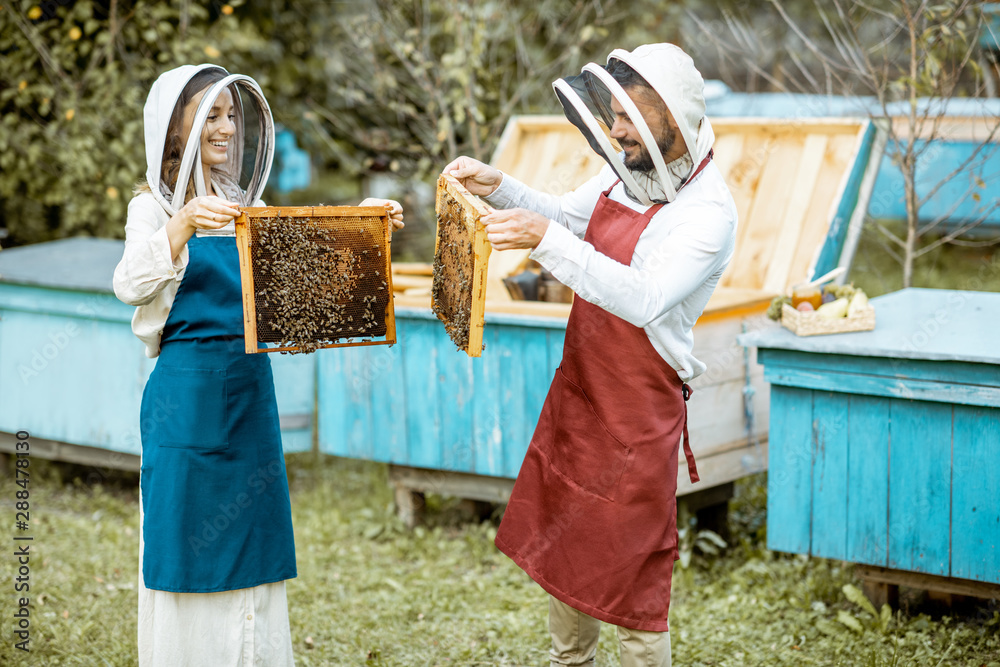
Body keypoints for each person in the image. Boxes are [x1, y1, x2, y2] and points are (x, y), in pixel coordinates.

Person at [444, 43, 737, 667]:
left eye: (631, 115)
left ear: (673, 115)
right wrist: (501, 187)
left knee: (635, 579)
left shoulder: (707, 215)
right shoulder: (624, 172)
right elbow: (559, 217)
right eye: (614, 112)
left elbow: (644, 297)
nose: (617, 128)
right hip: (582, 395)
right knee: (568, 547)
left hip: (638, 413)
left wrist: (544, 240)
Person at [113, 64, 403, 666]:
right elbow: (130, 284)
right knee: (185, 546)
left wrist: (364, 226)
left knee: (253, 545)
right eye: (210, 115)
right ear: (175, 129)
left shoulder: (249, 205)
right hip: (186, 403)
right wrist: (183, 223)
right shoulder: (152, 208)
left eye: (230, 115)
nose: (224, 127)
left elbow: (299, 288)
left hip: (250, 395)